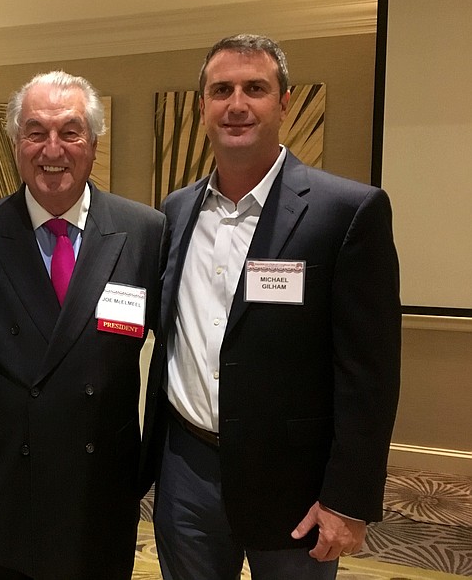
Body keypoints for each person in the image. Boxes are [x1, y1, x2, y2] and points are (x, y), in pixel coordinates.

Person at [142, 34, 401, 580]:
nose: (236, 104)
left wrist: (348, 499)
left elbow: (369, 374)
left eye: (254, 88)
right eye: (221, 90)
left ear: (283, 103)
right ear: (202, 107)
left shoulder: (346, 211)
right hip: (187, 470)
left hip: (295, 484)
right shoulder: (176, 211)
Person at [0, 71, 167, 579]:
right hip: (2, 487)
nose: (53, 149)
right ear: (15, 143)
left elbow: (174, 355)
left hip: (99, 485)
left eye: (70, 132)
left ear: (93, 142)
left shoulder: (143, 231)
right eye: (35, 132)